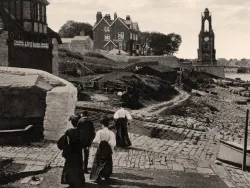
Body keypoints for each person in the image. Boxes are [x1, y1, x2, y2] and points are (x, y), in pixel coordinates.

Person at [57, 115, 85, 188]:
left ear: (72, 123)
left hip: (71, 152)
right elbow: (84, 142)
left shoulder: (69, 131)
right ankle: (78, 181)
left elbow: (63, 142)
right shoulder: (81, 131)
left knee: (70, 166)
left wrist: (63, 148)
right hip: (78, 151)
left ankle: (70, 180)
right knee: (78, 165)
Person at [90, 116, 116, 184]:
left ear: (102, 124)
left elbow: (96, 140)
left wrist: (95, 141)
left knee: (98, 161)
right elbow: (112, 142)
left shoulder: (99, 131)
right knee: (106, 161)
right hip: (107, 147)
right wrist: (111, 149)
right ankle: (106, 175)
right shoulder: (111, 132)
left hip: (101, 147)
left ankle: (97, 176)